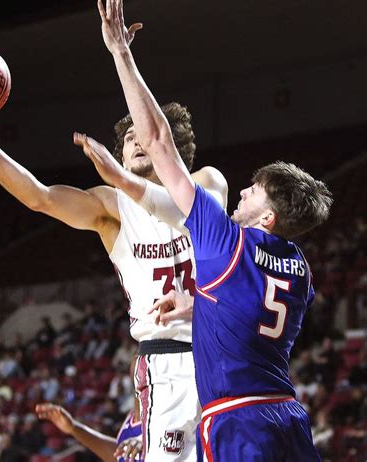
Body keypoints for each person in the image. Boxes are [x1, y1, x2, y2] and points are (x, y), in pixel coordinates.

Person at [0, 46, 227, 461]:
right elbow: (40, 197)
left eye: (143, 134)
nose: (135, 142)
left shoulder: (206, 181)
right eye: (127, 140)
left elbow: (197, 207)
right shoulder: (111, 207)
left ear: (167, 142)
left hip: (224, 350)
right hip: (166, 361)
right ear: (121, 157)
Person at [74, 1, 334, 460]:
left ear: (267, 217)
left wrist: (120, 53)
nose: (242, 194)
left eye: (253, 192)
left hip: (237, 418)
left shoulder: (224, 242)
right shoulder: (300, 271)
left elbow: (158, 141)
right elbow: (250, 309)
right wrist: (200, 302)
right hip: (288, 415)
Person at [35, 398, 143, 462]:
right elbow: (119, 457)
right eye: (135, 358)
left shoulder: (158, 414)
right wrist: (74, 428)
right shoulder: (136, 412)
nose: (136, 362)